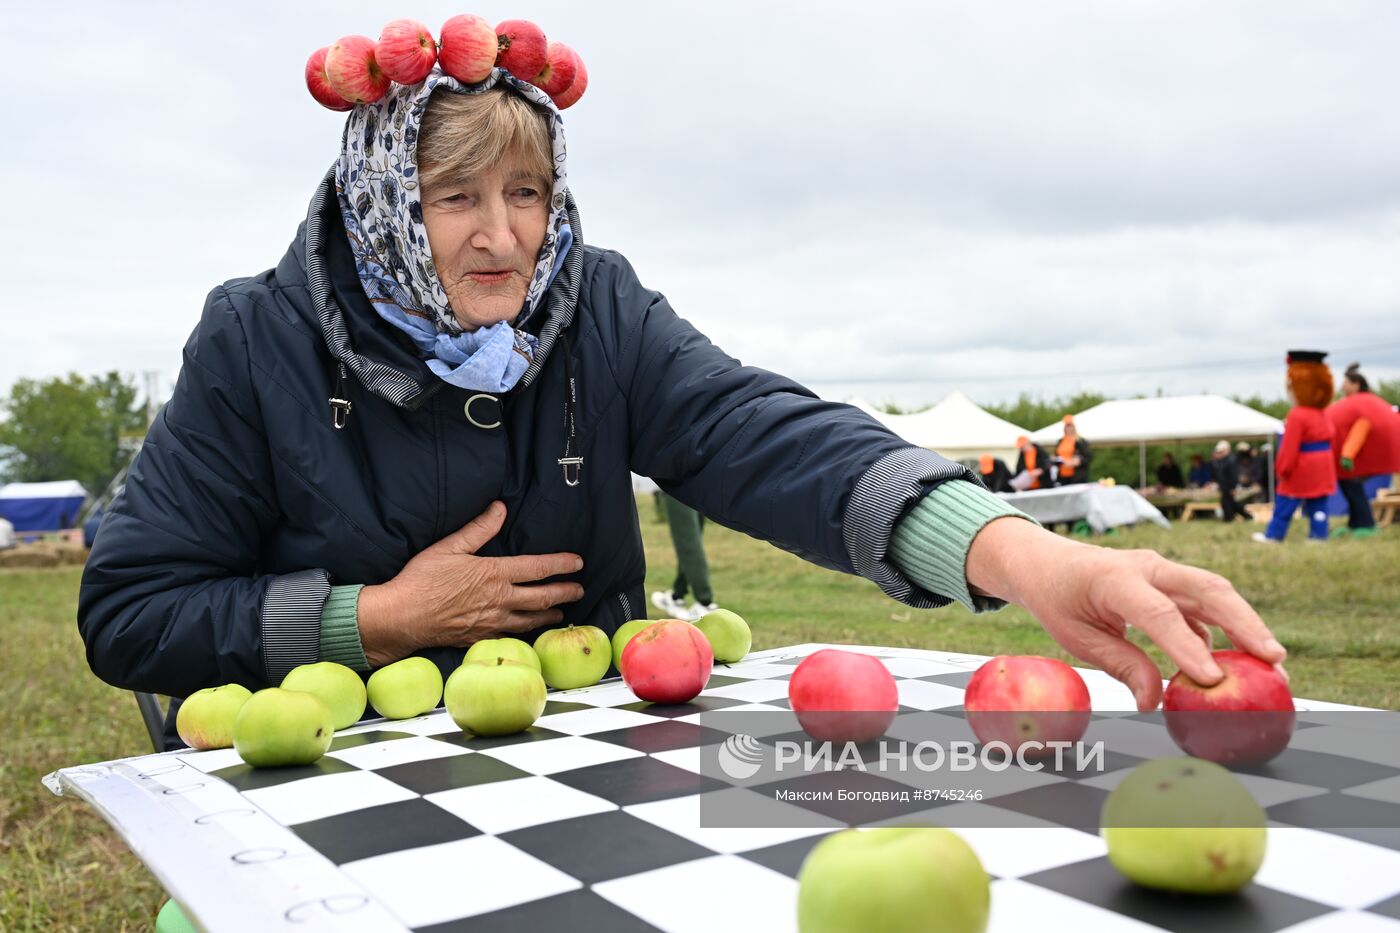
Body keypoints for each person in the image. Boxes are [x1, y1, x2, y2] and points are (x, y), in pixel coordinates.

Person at [77, 49, 1286, 750]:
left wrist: (1019, 553)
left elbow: (747, 431)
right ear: (381, 201)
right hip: (335, 772)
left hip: (574, 762)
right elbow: (131, 610)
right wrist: (371, 621)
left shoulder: (592, 304)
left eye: (528, 189)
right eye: (455, 198)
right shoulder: (257, 334)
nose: (505, 237)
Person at [1254, 351, 1337, 543]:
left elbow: (1290, 446)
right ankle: (1319, 535)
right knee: (1319, 504)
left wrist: (1282, 468)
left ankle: (1274, 535)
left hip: (1303, 466)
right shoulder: (1323, 413)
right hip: (1324, 465)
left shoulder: (1297, 415)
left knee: (1286, 502)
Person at [1326, 363, 1400, 538]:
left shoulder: (1364, 405)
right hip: (1354, 460)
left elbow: (1363, 427)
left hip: (1353, 459)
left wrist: (1347, 454)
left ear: (1356, 384)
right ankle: (1355, 523)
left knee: (1353, 489)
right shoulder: (1364, 403)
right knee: (1352, 488)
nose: (1342, 386)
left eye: (1346, 382)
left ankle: (1366, 523)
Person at [651, 491, 719, 620]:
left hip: (676, 483)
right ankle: (677, 596)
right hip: (699, 483)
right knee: (691, 542)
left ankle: (705, 602)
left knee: (689, 546)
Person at [1210, 441, 1248, 522]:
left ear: (1227, 450)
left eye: (1221, 451)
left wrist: (1233, 487)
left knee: (1229, 503)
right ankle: (1231, 517)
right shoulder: (1223, 461)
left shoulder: (1231, 460)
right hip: (1224, 486)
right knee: (1229, 503)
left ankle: (1230, 518)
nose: (1219, 453)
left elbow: (1234, 475)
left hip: (1229, 486)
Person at [1052, 415, 1092, 485]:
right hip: (1062, 477)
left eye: (1070, 425)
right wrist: (1054, 459)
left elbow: (1087, 456)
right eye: (1067, 426)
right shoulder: (1060, 441)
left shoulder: (1080, 441)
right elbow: (1057, 455)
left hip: (1077, 477)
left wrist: (1078, 461)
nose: (1068, 428)